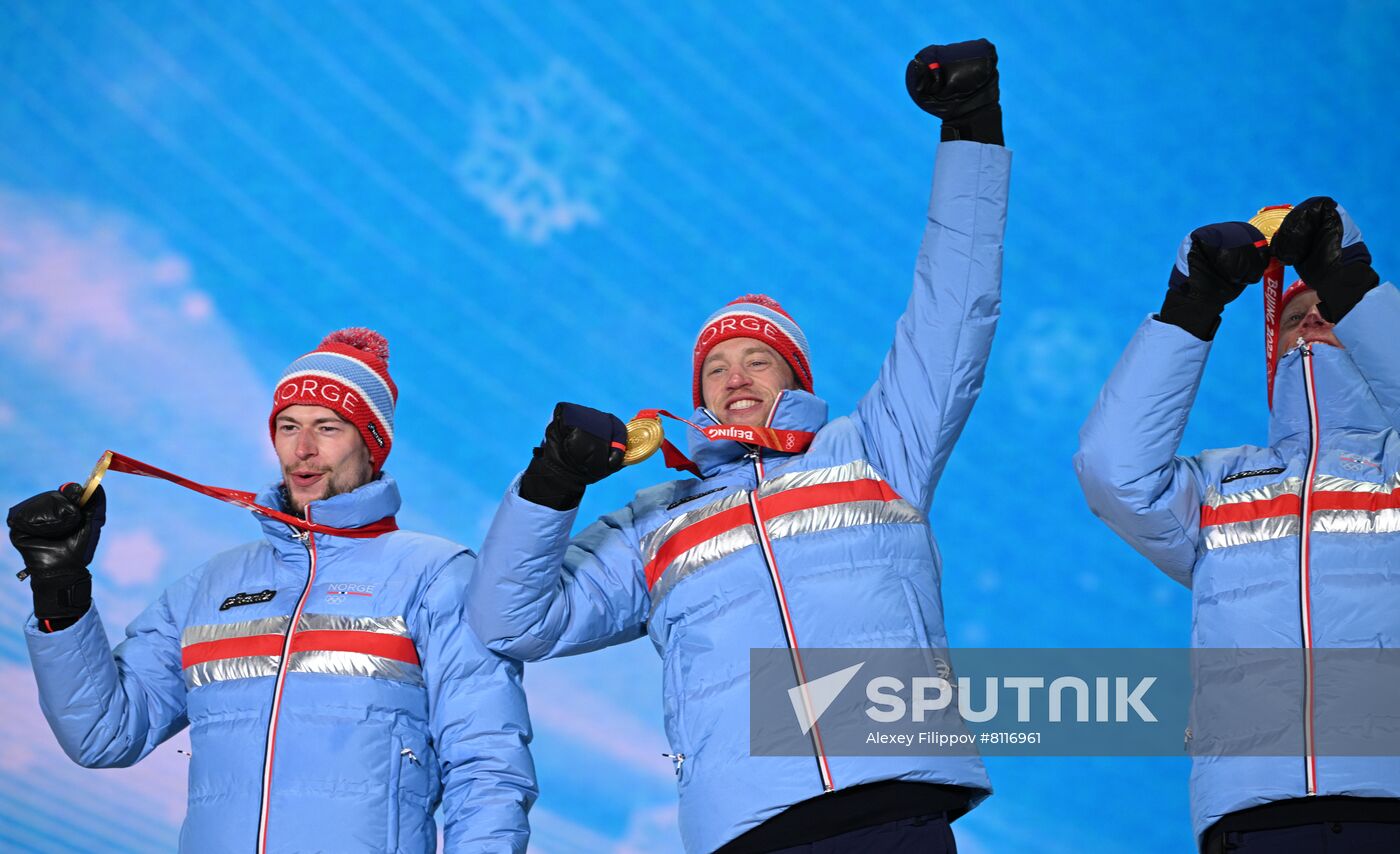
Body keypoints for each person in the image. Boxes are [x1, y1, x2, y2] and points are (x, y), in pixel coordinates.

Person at [468, 40, 1010, 853]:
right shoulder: (660, 522)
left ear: (794, 374)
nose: (736, 375)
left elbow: (952, 309)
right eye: (715, 367)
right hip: (749, 829)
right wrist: (552, 483)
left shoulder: (875, 449)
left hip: (893, 807)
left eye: (759, 357)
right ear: (699, 397)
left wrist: (971, 130)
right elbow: (511, 621)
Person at [8, 329, 536, 853]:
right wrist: (62, 595)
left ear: (373, 446)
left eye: (328, 428)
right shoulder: (209, 588)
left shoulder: (436, 576)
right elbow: (105, 733)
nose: (302, 450)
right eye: (288, 427)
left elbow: (487, 768)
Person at [1075, 197, 1400, 852]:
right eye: (1293, 318)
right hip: (1252, 819)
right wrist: (1190, 306)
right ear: (1271, 348)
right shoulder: (1223, 486)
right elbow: (1114, 474)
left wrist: (1353, 284)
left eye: (1330, 313)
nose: (1311, 327)